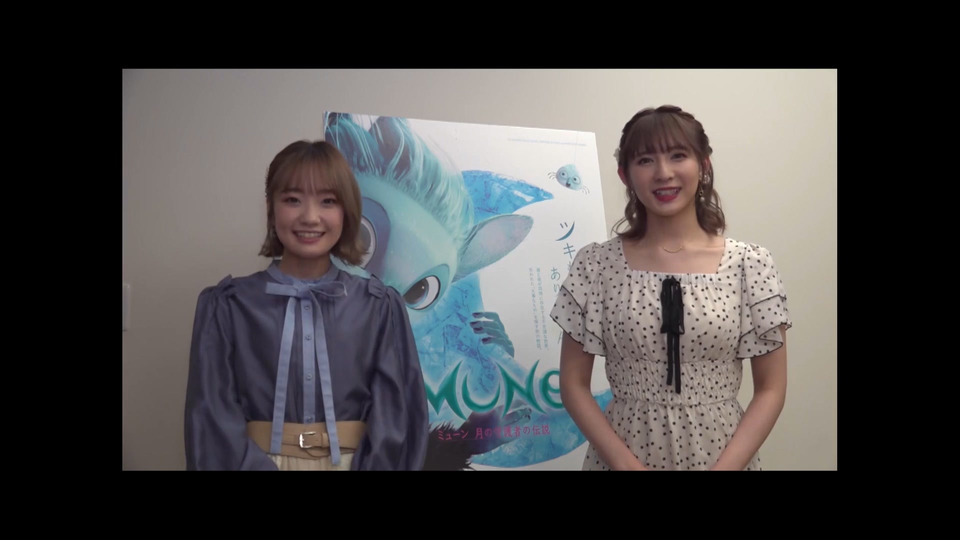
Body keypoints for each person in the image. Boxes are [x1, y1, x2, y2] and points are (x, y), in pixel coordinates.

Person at [550, 105, 791, 470]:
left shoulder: (750, 264)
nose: (663, 173)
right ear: (624, 174)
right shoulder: (596, 264)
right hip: (621, 457)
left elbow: (771, 389)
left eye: (678, 155)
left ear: (703, 164)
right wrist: (626, 466)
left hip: (723, 456)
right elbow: (573, 384)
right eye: (645, 160)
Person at [184, 140, 428, 470]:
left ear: (346, 211)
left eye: (328, 201)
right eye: (292, 200)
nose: (310, 217)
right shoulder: (229, 306)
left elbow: (396, 419)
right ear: (271, 208)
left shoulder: (378, 307)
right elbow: (212, 420)